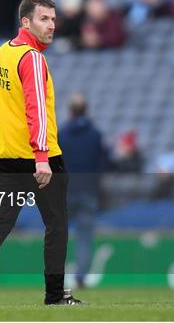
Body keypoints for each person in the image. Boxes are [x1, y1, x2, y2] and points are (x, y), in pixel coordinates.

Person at [0, 0, 85, 306]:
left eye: (53, 19)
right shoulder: (32, 57)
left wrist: (8, 131)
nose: (52, 25)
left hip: (3, 157)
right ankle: (55, 294)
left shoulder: (2, 52)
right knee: (56, 224)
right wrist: (41, 157)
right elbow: (37, 110)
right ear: (25, 22)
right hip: (39, 158)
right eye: (44, 19)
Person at [58, 93, 106, 289]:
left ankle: (56, 275)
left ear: (70, 112)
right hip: (88, 191)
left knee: (59, 235)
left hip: (65, 191)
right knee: (85, 237)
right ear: (86, 111)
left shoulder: (61, 134)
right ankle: (80, 277)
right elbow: (104, 163)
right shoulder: (95, 135)